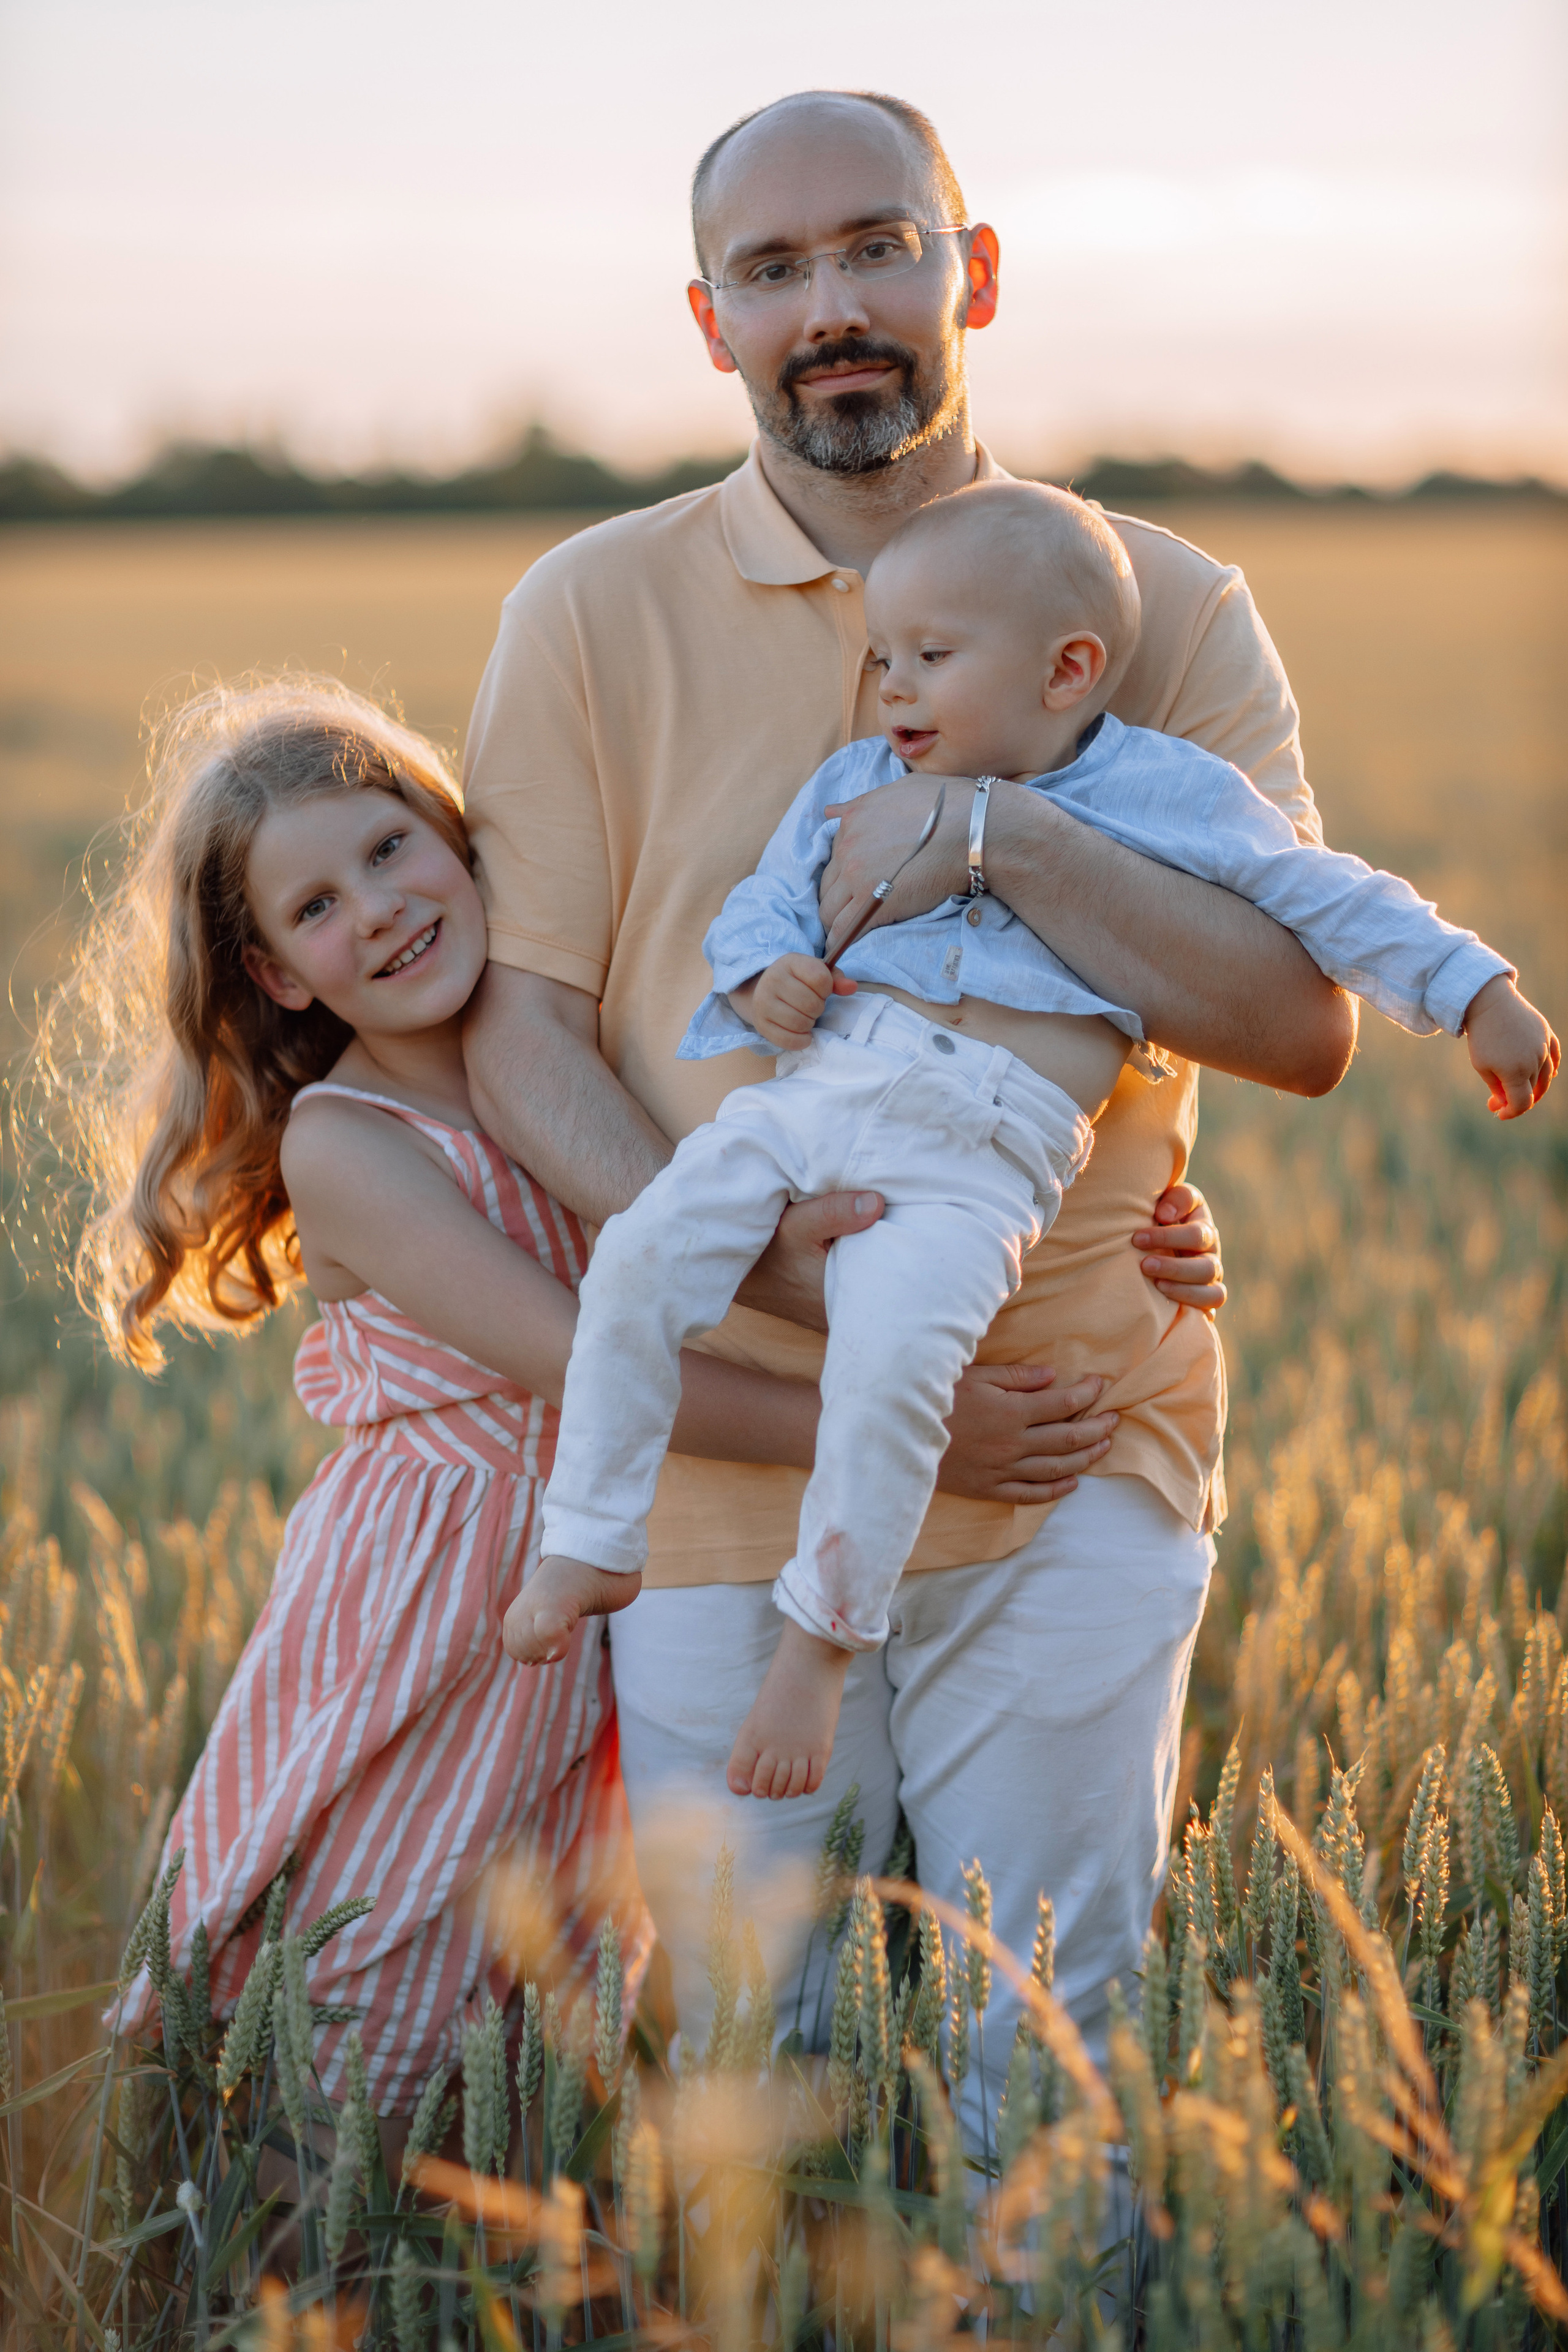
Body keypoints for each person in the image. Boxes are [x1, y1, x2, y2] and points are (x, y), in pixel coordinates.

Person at [461, 88, 1362, 2110]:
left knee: (1045, 2086)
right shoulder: (589, 613)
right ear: (710, 323)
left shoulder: (1163, 604)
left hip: (1074, 1455)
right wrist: (787, 1273)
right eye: (774, 272)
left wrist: (999, 839)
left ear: (974, 269)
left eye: (876, 246)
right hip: (721, 1487)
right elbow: (521, 1025)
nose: (832, 307)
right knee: (738, 2103)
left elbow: (1302, 1026)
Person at [505, 479, 1555, 1796]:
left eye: (929, 661)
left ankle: (821, 1640)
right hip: (817, 1092)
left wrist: (1473, 992)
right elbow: (764, 902)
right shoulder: (854, 779)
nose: (890, 689)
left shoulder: (1163, 793)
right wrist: (765, 968)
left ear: (1066, 671)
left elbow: (1316, 895)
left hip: (977, 1148)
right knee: (644, 1256)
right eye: (880, 658)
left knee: (890, 1371)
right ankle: (591, 1535)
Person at [38, 675, 833, 2114]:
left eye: (389, 849)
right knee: (376, 1958)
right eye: (316, 908)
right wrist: (887, 1436)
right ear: (280, 976)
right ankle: (289, 2283)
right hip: (431, 1595)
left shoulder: (560, 1071)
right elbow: (582, 1357)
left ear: (458, 838)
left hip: (580, 1578)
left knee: (537, 1984)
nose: (380, 909)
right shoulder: (350, 1140)